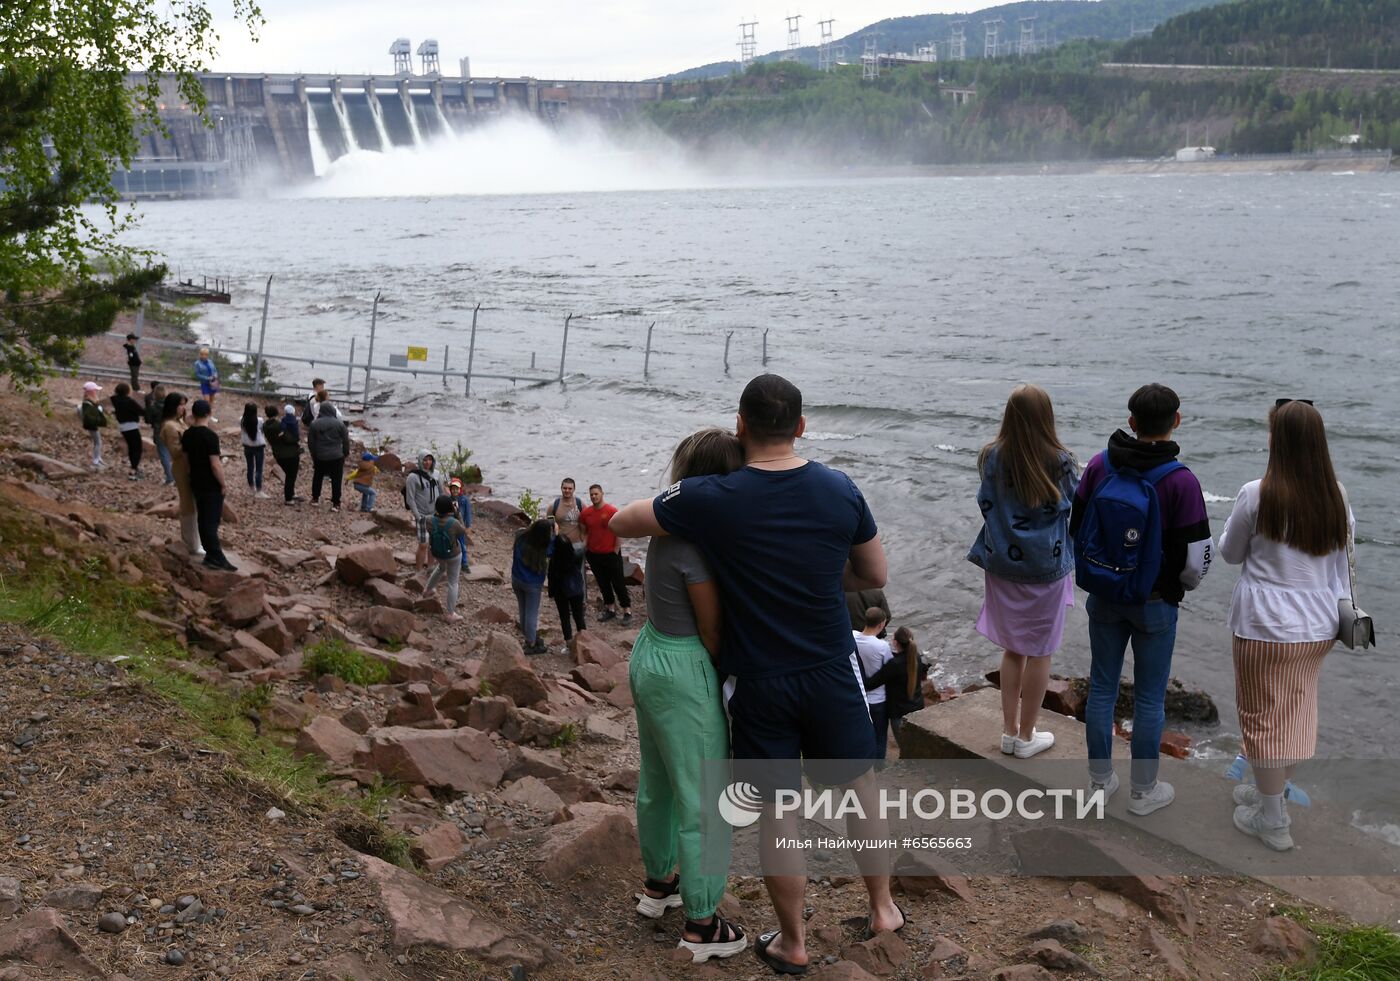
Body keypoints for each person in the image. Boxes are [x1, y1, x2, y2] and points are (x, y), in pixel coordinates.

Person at [610, 374, 901, 975]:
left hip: (759, 678)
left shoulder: (709, 497)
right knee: (860, 786)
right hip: (828, 666)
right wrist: (817, 576)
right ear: (801, 425)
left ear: (740, 426)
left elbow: (622, 523)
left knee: (777, 809)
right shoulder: (838, 487)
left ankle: (792, 943)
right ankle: (883, 909)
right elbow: (873, 572)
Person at [629, 428, 747, 963]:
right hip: (683, 667)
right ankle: (701, 924)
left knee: (657, 783)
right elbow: (712, 630)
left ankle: (660, 883)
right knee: (705, 797)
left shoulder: (666, 524)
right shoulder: (698, 544)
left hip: (648, 653)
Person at [1072, 383, 1212, 815]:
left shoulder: (1100, 465)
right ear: (1176, 421)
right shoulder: (1181, 482)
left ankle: (1099, 782)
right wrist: (1178, 589)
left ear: (1131, 422)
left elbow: (1076, 527)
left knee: (1102, 688)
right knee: (1150, 698)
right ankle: (1143, 791)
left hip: (1105, 596)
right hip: (1154, 603)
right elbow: (1194, 560)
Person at [1219, 400, 1351, 852]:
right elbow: (1341, 562)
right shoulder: (1337, 494)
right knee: (1295, 711)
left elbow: (1230, 553)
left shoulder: (1256, 492)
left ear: (1277, 441)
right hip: (1319, 625)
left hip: (1263, 624)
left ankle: (1272, 819)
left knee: (1260, 718)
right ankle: (1268, 790)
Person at [967, 384, 1079, 760]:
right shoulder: (1061, 459)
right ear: (1047, 417)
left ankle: (1009, 732)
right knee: (1040, 650)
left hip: (1002, 563)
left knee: (1014, 649)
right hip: (1046, 566)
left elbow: (986, 502)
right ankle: (1028, 735)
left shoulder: (991, 456)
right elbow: (1073, 506)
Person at [181, 399, 234, 571]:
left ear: (193, 414)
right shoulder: (210, 436)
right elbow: (215, 464)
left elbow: (186, 459)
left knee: (203, 518)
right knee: (211, 521)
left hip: (195, 480)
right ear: (209, 414)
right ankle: (216, 556)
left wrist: (190, 474)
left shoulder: (188, 434)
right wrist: (223, 483)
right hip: (210, 483)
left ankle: (211, 555)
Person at [859, 626, 928, 737]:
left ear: (895, 642)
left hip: (899, 713)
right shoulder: (916, 658)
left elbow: (870, 684)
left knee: (904, 745)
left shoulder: (894, 665)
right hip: (917, 708)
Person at [579, 484, 632, 623]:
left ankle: (627, 610)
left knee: (618, 582)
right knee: (603, 583)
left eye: (596, 494)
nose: (593, 496)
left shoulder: (611, 510)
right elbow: (584, 531)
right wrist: (584, 548)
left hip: (610, 553)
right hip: (593, 554)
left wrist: (615, 550)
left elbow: (619, 531)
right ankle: (610, 609)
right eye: (591, 494)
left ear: (602, 494)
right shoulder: (586, 513)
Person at [161, 392, 202, 556]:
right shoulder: (170, 426)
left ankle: (196, 541)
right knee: (187, 503)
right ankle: (190, 542)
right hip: (181, 465)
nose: (183, 408)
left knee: (194, 503)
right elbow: (175, 450)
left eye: (184, 404)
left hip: (190, 465)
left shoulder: (180, 422)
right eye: (180, 405)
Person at [853, 607, 894, 760]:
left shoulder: (853, 636)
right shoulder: (881, 646)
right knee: (880, 735)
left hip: (858, 695)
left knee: (861, 733)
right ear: (881, 624)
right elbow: (890, 667)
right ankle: (878, 767)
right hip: (878, 699)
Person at [511, 519, 554, 655]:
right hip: (533, 584)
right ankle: (531, 643)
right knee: (531, 613)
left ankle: (529, 636)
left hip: (517, 579)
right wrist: (555, 535)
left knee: (523, 609)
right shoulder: (543, 546)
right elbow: (553, 550)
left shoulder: (520, 536)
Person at [424, 494, 467, 624]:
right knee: (453, 582)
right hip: (453, 555)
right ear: (450, 508)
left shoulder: (428, 520)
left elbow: (434, 521)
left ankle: (428, 590)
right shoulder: (453, 523)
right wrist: (458, 513)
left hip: (437, 552)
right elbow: (463, 531)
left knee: (441, 568)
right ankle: (450, 614)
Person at [546, 519, 587, 647]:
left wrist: (551, 593)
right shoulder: (576, 556)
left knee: (565, 617)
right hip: (576, 590)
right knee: (578, 616)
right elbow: (581, 548)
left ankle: (568, 642)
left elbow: (551, 575)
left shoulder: (554, 562)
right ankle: (585, 641)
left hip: (560, 591)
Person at [307, 402, 349, 511]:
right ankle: (336, 503)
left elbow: (311, 442)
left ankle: (315, 498)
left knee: (318, 477)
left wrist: (314, 454)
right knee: (336, 480)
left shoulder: (314, 424)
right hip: (337, 456)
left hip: (320, 455)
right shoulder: (340, 424)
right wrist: (345, 453)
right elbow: (345, 441)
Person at [404, 454, 440, 572]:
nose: (427, 462)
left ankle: (430, 567)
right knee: (423, 544)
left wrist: (447, 508)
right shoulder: (413, 477)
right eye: (425, 460)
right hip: (422, 515)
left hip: (435, 515)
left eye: (430, 460)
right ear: (420, 461)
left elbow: (441, 492)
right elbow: (410, 499)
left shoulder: (436, 474)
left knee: (433, 544)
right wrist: (417, 515)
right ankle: (418, 571)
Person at [263, 405, 302, 505]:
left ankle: (291, 494)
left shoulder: (265, 426)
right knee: (291, 475)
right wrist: (295, 438)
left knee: (289, 474)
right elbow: (288, 438)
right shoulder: (279, 425)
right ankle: (288, 497)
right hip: (290, 453)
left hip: (278, 453)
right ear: (277, 413)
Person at [110, 382, 145, 481]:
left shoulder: (114, 399)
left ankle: (134, 467)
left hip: (122, 426)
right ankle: (133, 470)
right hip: (132, 426)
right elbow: (141, 411)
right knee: (137, 448)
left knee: (131, 447)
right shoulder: (129, 401)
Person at [145, 382, 174, 484]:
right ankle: (177, 475)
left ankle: (170, 478)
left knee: (164, 454)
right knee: (174, 454)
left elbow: (148, 419)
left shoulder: (153, 407)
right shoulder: (171, 406)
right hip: (172, 430)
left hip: (159, 431)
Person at [239, 402, 267, 498]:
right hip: (258, 445)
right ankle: (259, 490)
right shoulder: (259, 420)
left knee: (250, 467)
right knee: (259, 468)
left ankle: (252, 488)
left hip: (247, 445)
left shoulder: (241, 420)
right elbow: (262, 430)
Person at [78, 381, 108, 469]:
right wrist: (97, 419)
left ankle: (98, 458)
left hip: (92, 425)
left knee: (98, 442)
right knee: (98, 442)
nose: (96, 392)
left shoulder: (89, 402)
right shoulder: (88, 403)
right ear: (91, 391)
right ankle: (96, 460)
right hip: (92, 425)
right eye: (95, 390)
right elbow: (89, 415)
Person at [548, 477, 585, 545]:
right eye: (565, 488)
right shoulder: (553, 506)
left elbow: (587, 524)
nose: (567, 490)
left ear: (574, 489)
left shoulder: (581, 504)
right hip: (560, 544)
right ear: (561, 488)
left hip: (578, 544)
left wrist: (585, 540)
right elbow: (549, 526)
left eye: (570, 488)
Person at [447, 477, 473, 571]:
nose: (455, 491)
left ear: (460, 489)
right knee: (450, 544)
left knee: (462, 545)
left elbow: (468, 513)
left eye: (457, 488)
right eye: (453, 489)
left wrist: (468, 526)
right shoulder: (448, 500)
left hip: (461, 526)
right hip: (450, 526)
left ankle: (464, 563)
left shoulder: (464, 500)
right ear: (450, 489)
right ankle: (451, 562)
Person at [193, 348, 219, 420]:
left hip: (213, 382)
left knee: (212, 400)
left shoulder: (210, 361)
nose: (204, 356)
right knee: (206, 400)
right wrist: (207, 378)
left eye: (206, 354)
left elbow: (215, 370)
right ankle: (204, 414)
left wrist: (215, 375)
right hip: (205, 383)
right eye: (202, 354)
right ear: (200, 354)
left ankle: (210, 415)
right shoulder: (197, 363)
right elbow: (197, 375)